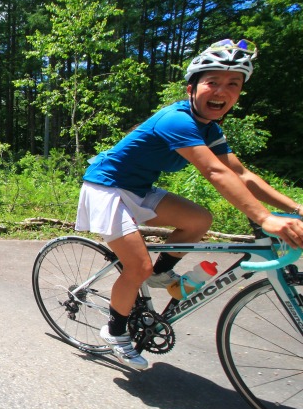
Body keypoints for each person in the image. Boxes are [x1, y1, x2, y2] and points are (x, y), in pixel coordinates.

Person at [75, 39, 303, 370]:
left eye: (233, 84)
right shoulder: (176, 120)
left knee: (199, 219)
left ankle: (160, 274)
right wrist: (265, 218)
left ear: (238, 94)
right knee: (136, 266)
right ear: (192, 87)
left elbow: (240, 173)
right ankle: (115, 331)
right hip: (105, 188)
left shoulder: (210, 129)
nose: (222, 90)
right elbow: (214, 171)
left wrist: (295, 208)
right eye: (213, 82)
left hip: (137, 188)